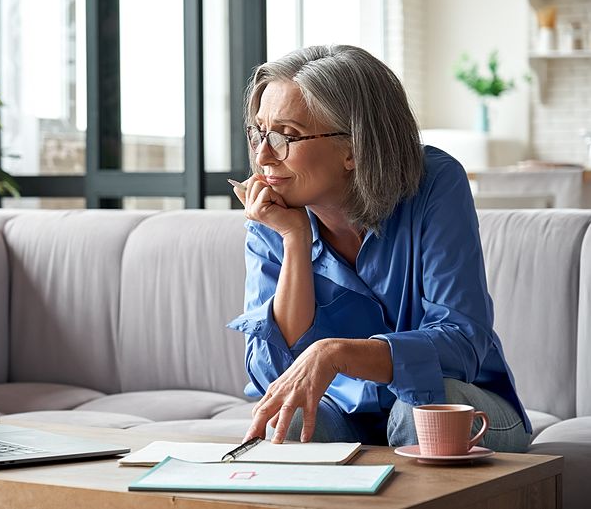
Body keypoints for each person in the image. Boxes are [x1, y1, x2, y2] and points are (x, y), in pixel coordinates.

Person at [226, 45, 531, 452]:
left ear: (354, 148)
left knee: (418, 409)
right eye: (258, 132)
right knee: (291, 418)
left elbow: (462, 342)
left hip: (463, 404)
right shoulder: (274, 211)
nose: (263, 156)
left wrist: (337, 354)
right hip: (345, 414)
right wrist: (294, 240)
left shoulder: (436, 183)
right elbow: (274, 374)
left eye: (287, 136)